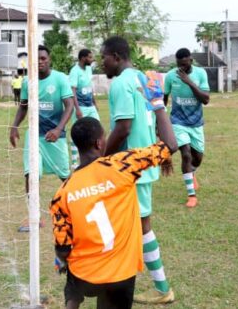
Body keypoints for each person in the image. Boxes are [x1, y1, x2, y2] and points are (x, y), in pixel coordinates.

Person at [50, 81, 178, 309]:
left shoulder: (63, 192)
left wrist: (61, 260)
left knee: (72, 279)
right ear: (100, 143)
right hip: (120, 274)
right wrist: (158, 104)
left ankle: (72, 300)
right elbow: (169, 145)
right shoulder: (123, 165)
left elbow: (63, 247)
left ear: (77, 147)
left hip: (85, 276)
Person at [100, 36, 175, 304]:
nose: (102, 63)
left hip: (130, 167)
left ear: (116, 57)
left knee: (132, 227)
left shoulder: (121, 83)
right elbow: (153, 117)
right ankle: (157, 286)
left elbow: (124, 128)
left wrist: (101, 162)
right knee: (135, 225)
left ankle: (159, 288)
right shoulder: (143, 79)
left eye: (104, 57)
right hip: (144, 162)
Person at [10, 45, 75, 232]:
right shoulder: (26, 82)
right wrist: (14, 126)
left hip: (55, 137)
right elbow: (23, 106)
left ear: (49, 60)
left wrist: (58, 128)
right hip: (34, 137)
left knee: (65, 176)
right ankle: (33, 218)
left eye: (43, 58)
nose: (40, 62)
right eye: (36, 59)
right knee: (30, 175)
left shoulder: (60, 79)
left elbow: (69, 105)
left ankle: (76, 211)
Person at [163, 48, 210, 208]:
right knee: (186, 154)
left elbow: (206, 100)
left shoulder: (200, 74)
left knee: (198, 158)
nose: (182, 68)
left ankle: (191, 173)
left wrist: (188, 81)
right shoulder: (170, 76)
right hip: (178, 121)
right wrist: (160, 121)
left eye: (185, 64)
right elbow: (164, 97)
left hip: (196, 122)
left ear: (191, 60)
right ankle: (192, 195)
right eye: (179, 65)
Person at [69, 49, 100, 169]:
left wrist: (94, 102)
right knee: (77, 131)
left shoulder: (88, 69)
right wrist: (77, 109)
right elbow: (73, 91)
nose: (92, 60)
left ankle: (96, 157)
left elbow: (89, 86)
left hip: (90, 106)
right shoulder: (74, 71)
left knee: (98, 128)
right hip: (80, 107)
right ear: (83, 58)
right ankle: (74, 161)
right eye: (90, 57)